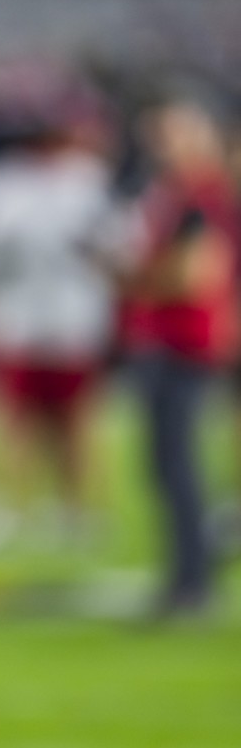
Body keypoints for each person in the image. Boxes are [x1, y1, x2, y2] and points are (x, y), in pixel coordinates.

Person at [0, 74, 126, 553]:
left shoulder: (86, 178)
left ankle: (74, 510)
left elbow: (114, 252)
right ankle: (9, 507)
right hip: (18, 317)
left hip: (71, 318)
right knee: (14, 422)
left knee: (72, 423)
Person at [117, 94, 240, 617]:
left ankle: (191, 582)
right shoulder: (177, 192)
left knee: (177, 467)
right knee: (166, 466)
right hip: (169, 341)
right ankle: (191, 571)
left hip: (185, 342)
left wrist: (133, 279)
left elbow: (195, 277)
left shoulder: (202, 196)